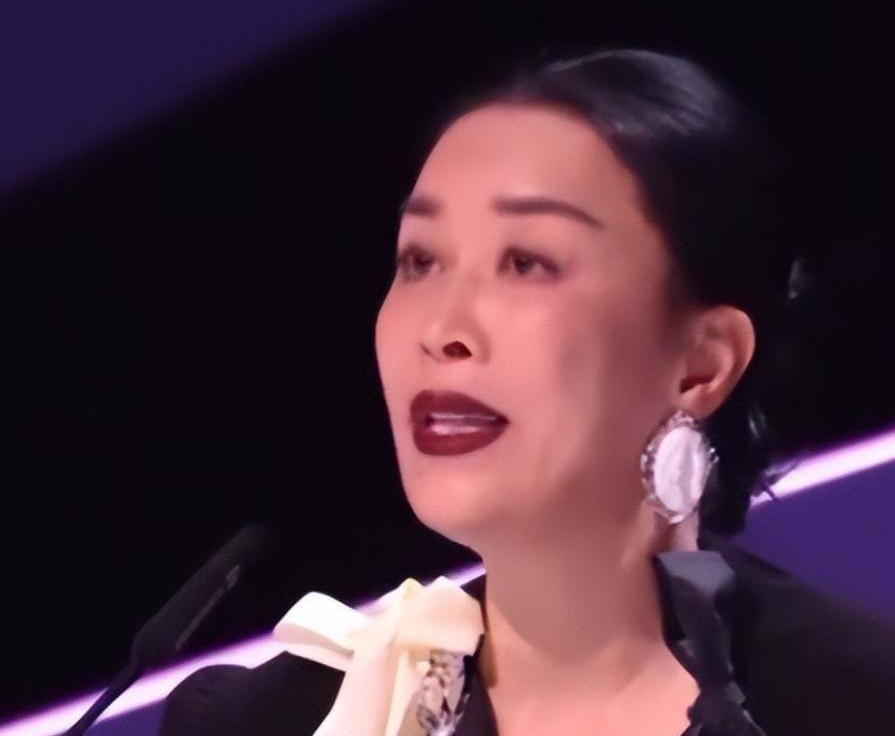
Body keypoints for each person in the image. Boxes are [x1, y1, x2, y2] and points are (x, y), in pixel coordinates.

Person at [159, 49, 895, 736]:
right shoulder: (272, 720)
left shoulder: (855, 701)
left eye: (526, 262)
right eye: (419, 259)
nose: (442, 329)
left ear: (701, 365)